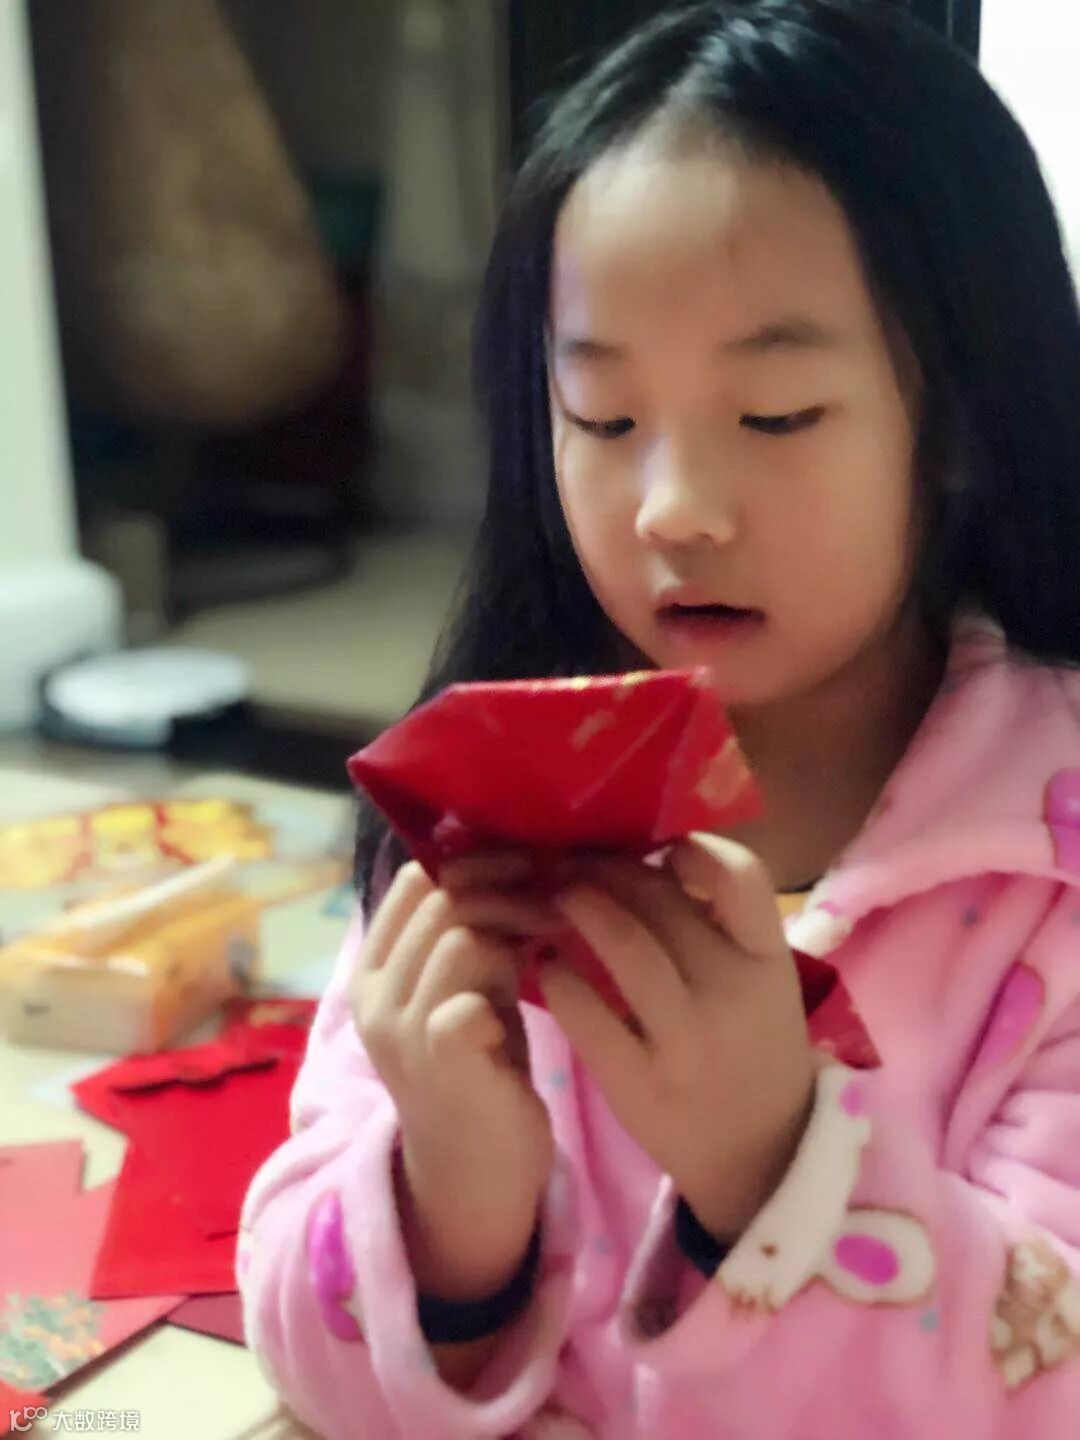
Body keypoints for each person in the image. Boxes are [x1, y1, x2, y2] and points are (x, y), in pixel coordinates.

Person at [237, 2, 1080, 1435]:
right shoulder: (494, 806)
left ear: (956, 424)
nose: (673, 508)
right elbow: (294, 1329)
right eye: (604, 418)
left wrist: (773, 1170)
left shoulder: (1044, 857)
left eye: (777, 416)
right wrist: (451, 1207)